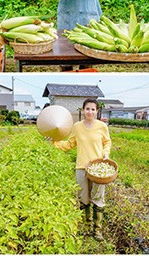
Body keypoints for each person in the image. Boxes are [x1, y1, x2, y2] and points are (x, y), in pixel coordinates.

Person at [48, 99, 111, 239]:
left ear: (97, 111)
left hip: (98, 167)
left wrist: (106, 154)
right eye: (87, 109)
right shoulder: (77, 127)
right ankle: (86, 225)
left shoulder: (102, 126)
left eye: (93, 109)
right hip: (81, 167)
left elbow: (107, 142)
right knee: (83, 198)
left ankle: (97, 229)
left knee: (98, 197)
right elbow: (70, 144)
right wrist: (53, 143)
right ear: (83, 110)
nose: (90, 112)